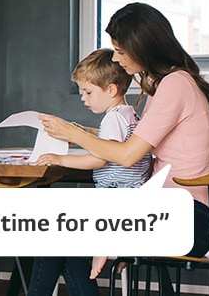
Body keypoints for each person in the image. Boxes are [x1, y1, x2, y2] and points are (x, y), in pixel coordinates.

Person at [39, 2, 209, 296]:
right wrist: (84, 133)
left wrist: (72, 132)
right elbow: (131, 143)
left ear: (142, 47)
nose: (117, 58)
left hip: (182, 219)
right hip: (175, 212)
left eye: (121, 51)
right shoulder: (172, 83)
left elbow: (127, 155)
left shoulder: (174, 86)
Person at [27, 49, 152, 296]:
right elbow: (108, 144)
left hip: (116, 203)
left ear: (111, 90)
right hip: (130, 200)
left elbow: (101, 159)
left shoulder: (112, 119)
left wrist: (59, 158)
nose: (84, 98)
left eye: (88, 92)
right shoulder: (127, 114)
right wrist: (85, 133)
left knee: (52, 236)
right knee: (69, 250)